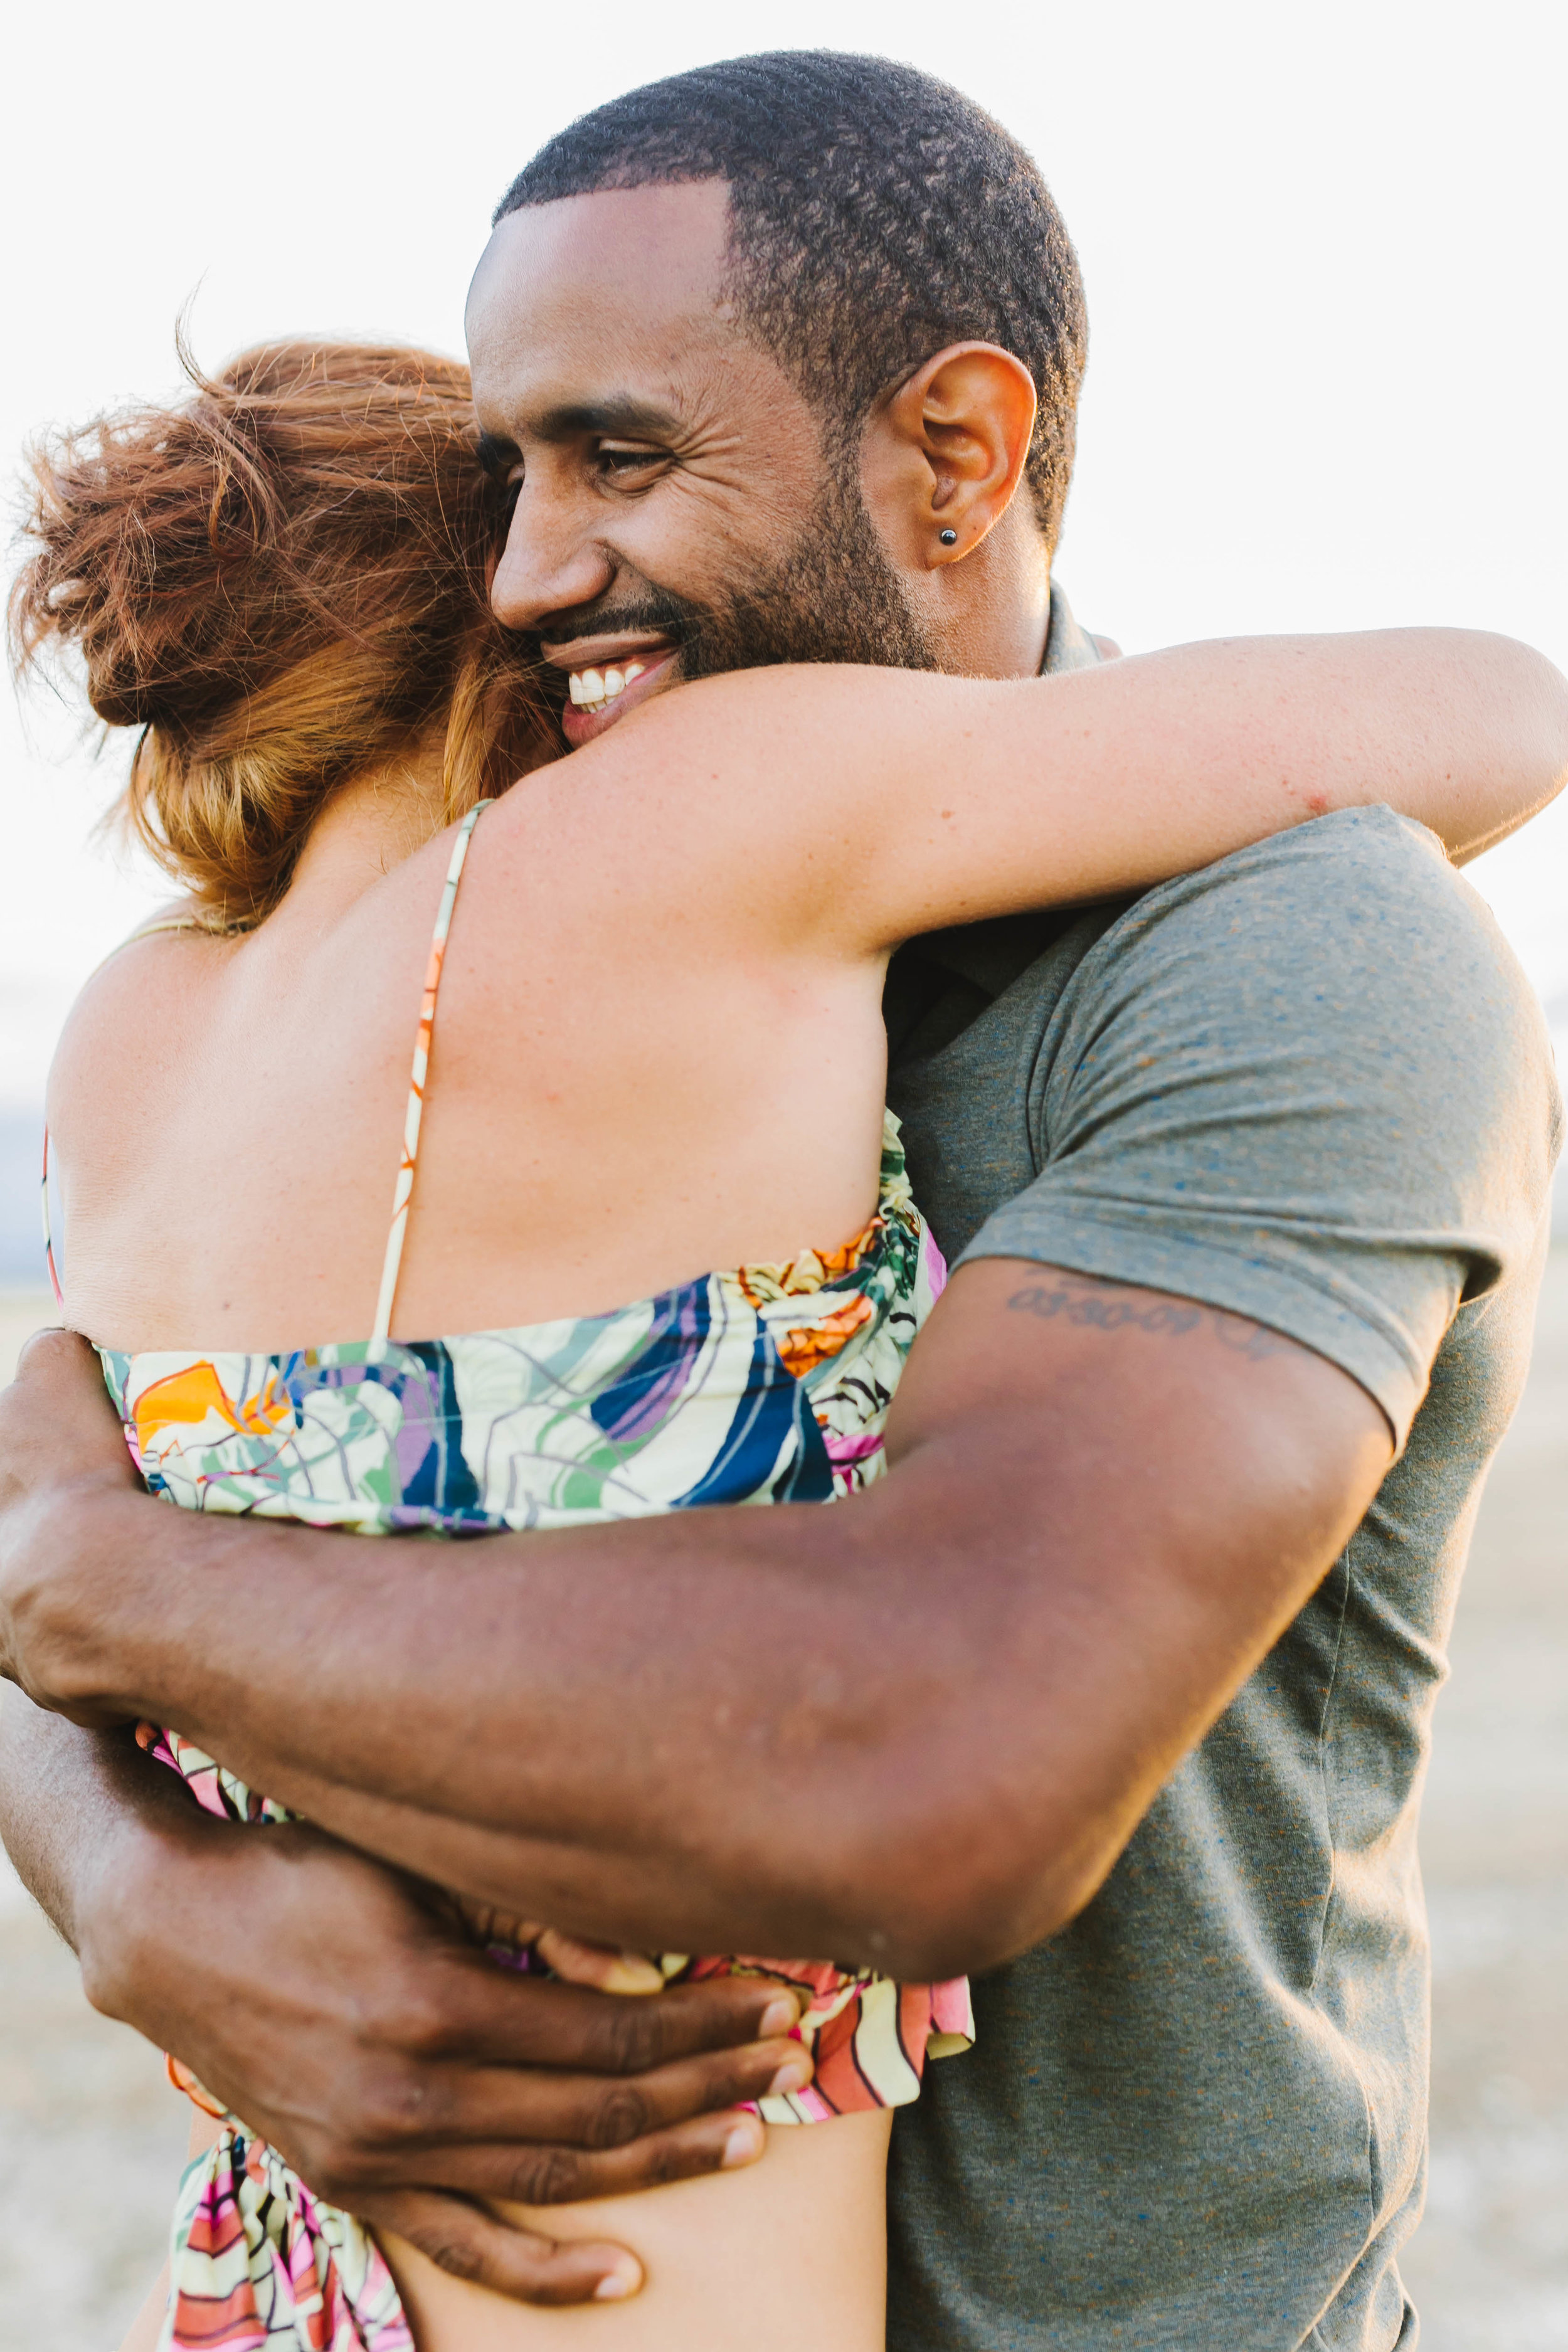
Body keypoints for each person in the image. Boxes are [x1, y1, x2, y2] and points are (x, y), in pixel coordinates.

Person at [1, 50, 1562, 2352]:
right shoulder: (448, 959)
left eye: (616, 459)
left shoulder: (1275, 951)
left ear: (955, 452)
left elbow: (938, 1764)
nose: (529, 574)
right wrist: (126, 1873)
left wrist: (98, 1590)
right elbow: (111, 1472)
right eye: (501, 473)